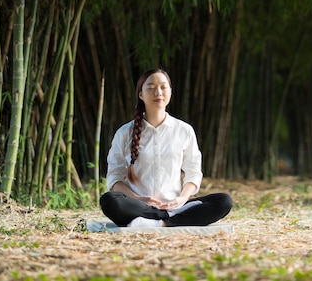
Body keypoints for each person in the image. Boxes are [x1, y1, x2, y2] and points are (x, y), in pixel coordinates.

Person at [100, 68, 233, 227]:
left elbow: (193, 172)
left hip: (176, 207)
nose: (158, 92)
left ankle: (160, 222)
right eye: (150, 87)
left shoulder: (184, 130)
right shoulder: (124, 133)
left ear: (170, 91)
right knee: (109, 200)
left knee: (224, 201)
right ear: (140, 94)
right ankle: (168, 221)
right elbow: (115, 179)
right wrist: (139, 199)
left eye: (163, 87)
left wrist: (182, 198)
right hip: (139, 206)